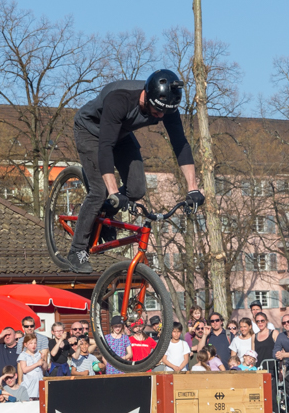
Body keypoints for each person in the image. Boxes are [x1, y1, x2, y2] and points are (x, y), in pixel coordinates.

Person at [64, 69, 202, 273]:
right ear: (146, 95)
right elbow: (105, 148)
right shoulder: (119, 99)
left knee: (136, 190)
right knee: (99, 190)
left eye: (164, 112)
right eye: (156, 110)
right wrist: (113, 192)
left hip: (121, 134)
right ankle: (76, 251)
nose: (160, 116)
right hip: (91, 132)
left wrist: (193, 189)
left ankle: (102, 216)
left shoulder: (167, 106)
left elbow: (180, 144)